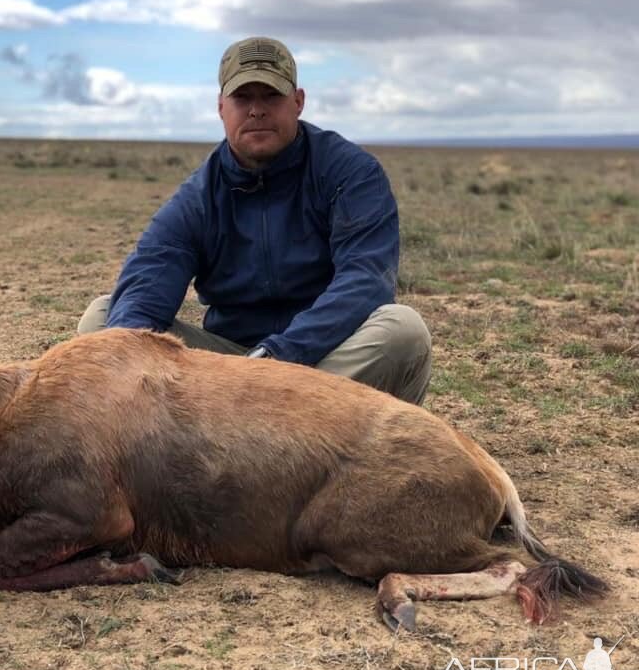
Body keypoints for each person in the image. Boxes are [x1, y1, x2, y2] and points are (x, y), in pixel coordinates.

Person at [77, 36, 432, 405]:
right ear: (221, 107)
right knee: (105, 321)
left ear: (298, 102)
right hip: (226, 364)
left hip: (322, 358)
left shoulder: (350, 173)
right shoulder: (199, 196)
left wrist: (276, 359)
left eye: (271, 97)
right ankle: (236, 430)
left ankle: (242, 428)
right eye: (243, 98)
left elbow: (365, 281)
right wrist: (240, 372)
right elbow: (148, 285)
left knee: (402, 330)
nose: (257, 111)